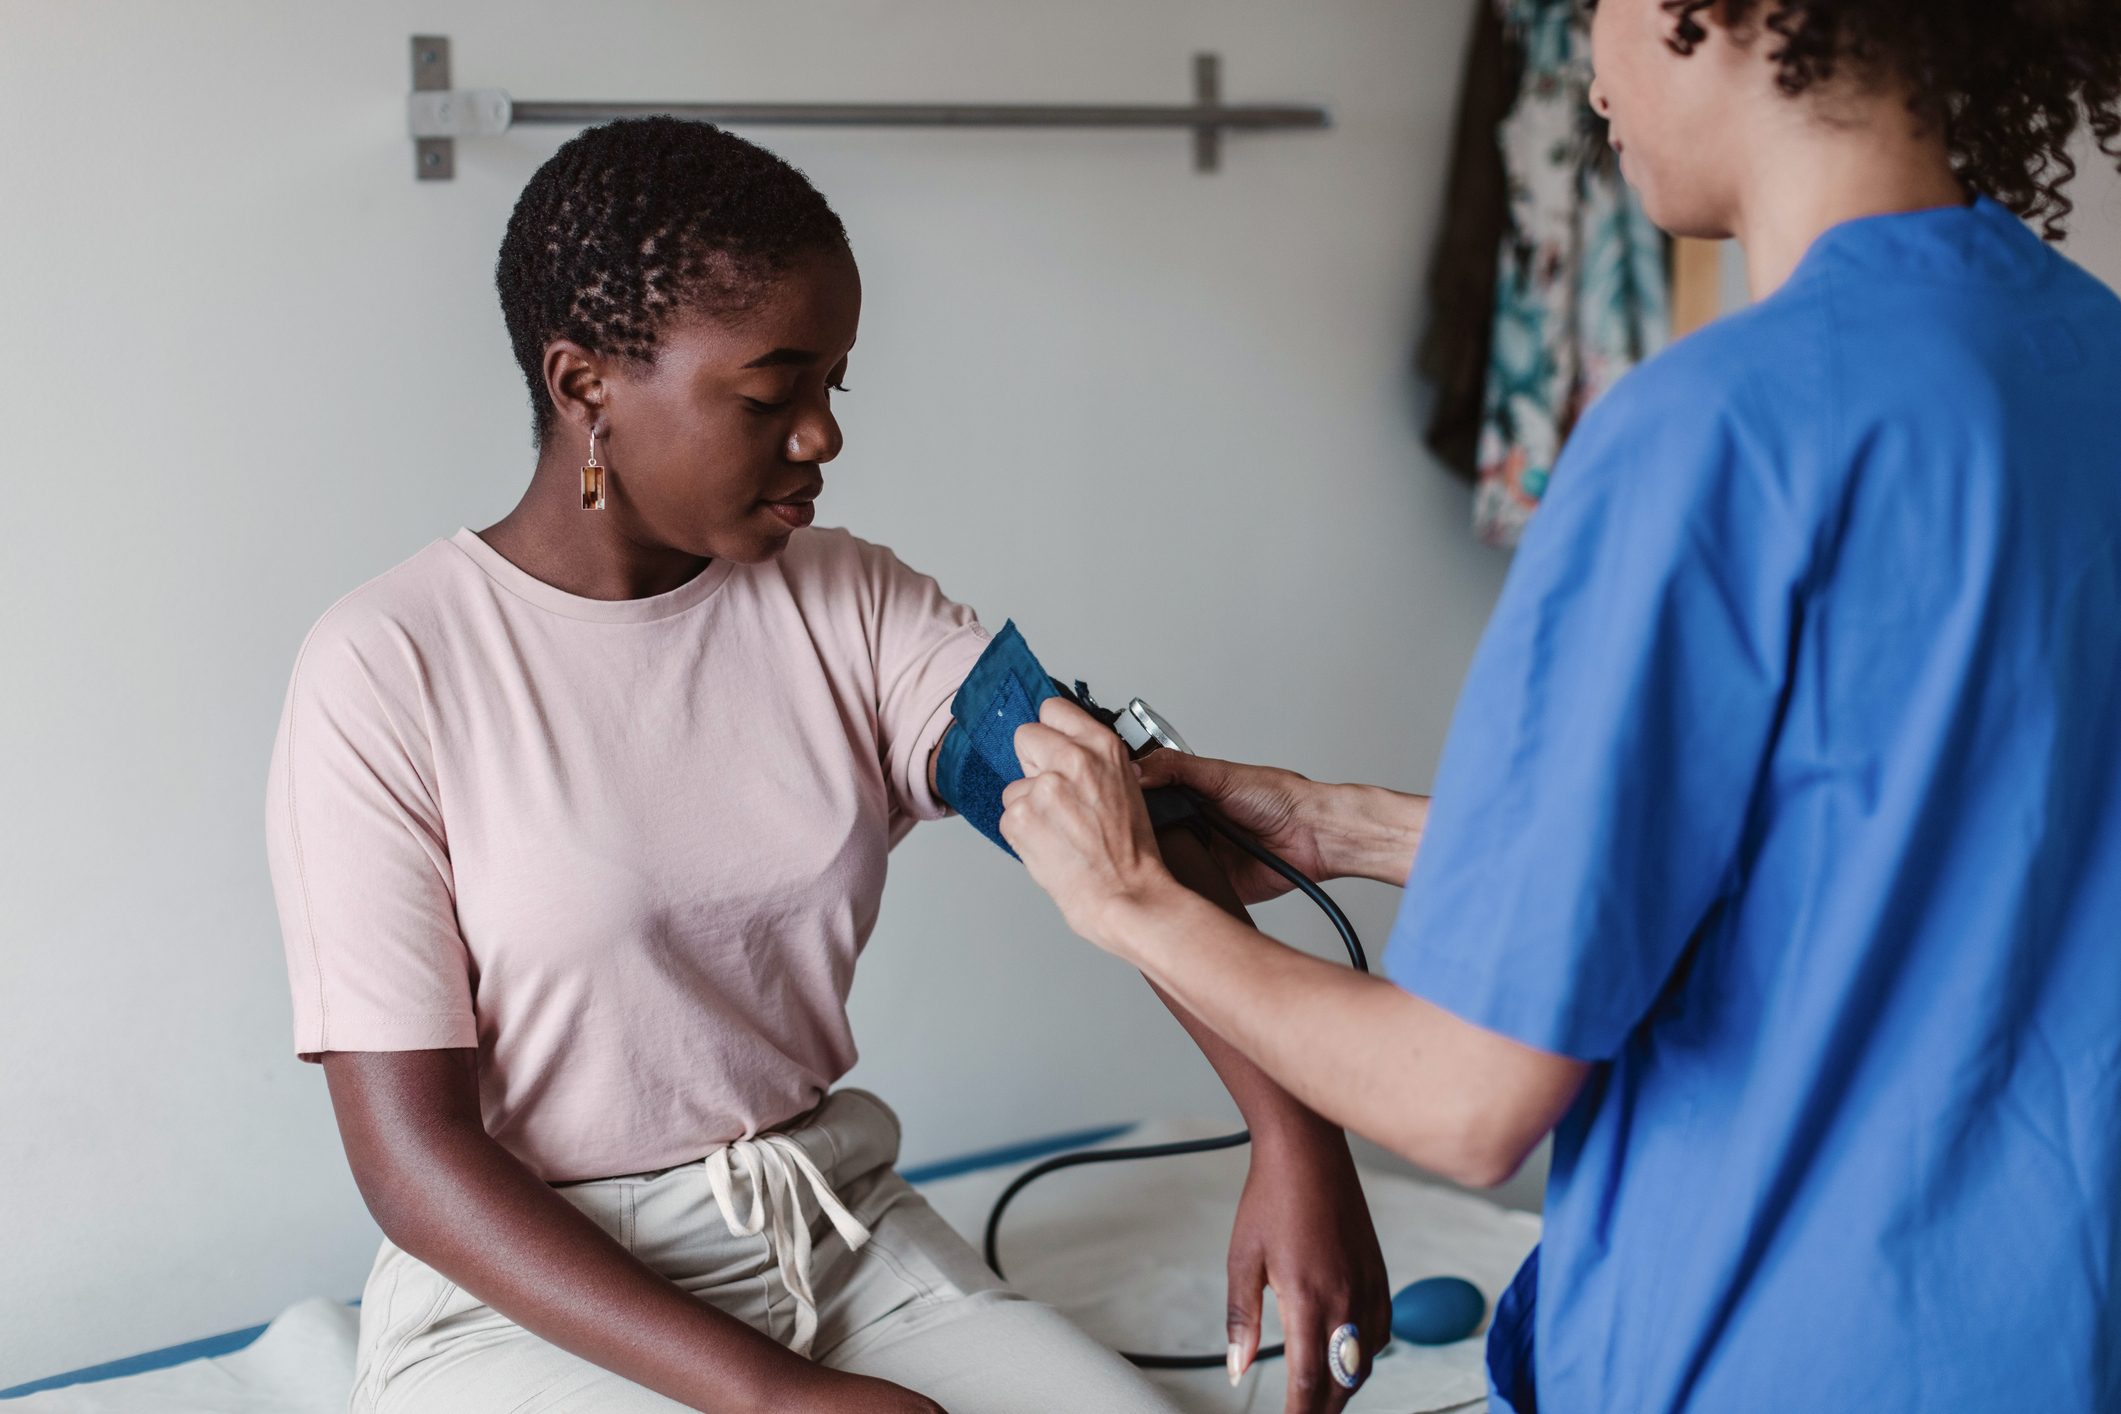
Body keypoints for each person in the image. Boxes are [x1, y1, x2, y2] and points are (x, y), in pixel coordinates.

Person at [997, 1, 2121, 1409]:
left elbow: (1466, 1103)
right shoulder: (2083, 360)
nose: (1584, 61)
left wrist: (1126, 902)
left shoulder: (1708, 435)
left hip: (1773, 1350)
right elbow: (1903, 844)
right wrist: (1350, 826)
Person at [263, 118, 1389, 1414]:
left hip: (833, 1235)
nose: (819, 438)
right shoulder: (386, 664)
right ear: (584, 389)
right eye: (767, 394)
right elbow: (413, 1160)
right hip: (531, 1296)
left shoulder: (852, 602)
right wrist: (769, 1394)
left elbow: (1120, 824)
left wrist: (1295, 1138)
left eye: (833, 387)